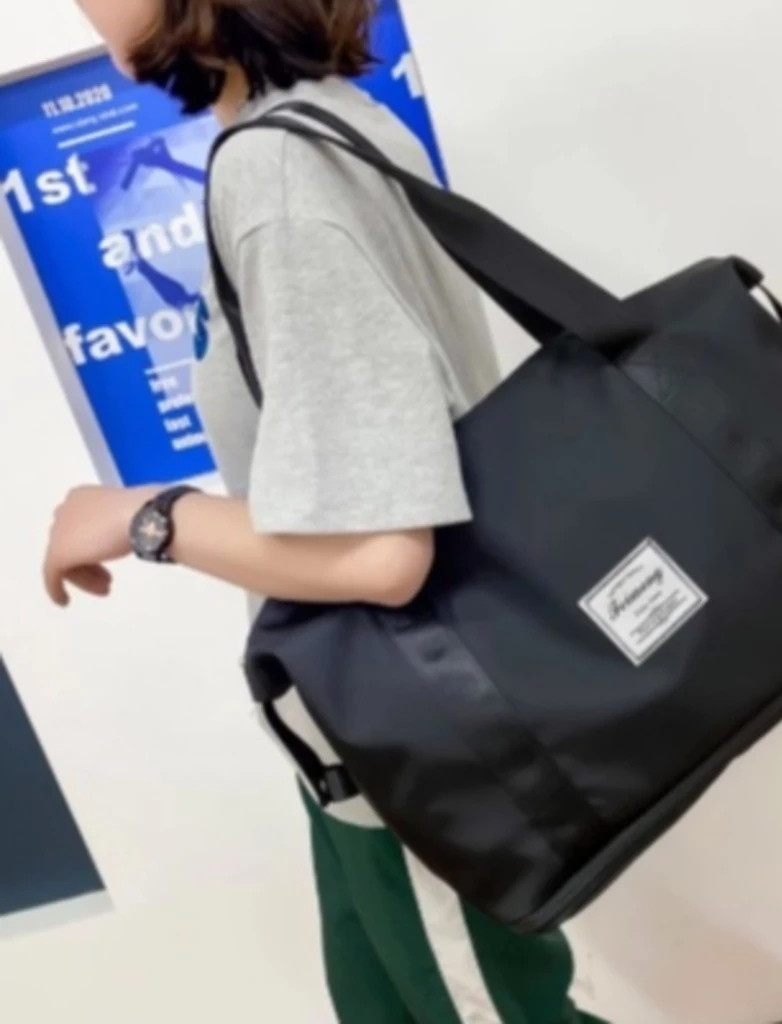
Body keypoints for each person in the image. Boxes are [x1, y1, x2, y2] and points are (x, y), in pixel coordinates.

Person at [53, 1, 609, 1022]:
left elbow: (379, 554)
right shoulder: (322, 123)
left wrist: (143, 517)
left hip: (410, 734)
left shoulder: (279, 172)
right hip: (360, 727)